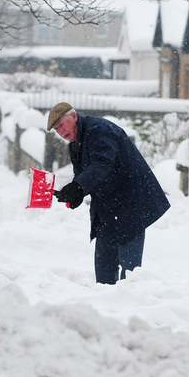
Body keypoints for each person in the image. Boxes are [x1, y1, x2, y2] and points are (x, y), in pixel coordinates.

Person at [47, 102, 170, 284]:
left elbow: (102, 164)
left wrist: (78, 187)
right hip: (107, 210)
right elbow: (84, 176)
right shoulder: (74, 145)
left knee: (129, 276)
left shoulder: (98, 129)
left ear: (73, 117)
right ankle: (105, 306)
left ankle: (130, 306)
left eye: (61, 125)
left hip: (131, 205)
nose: (61, 132)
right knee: (103, 275)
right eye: (56, 130)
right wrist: (75, 194)